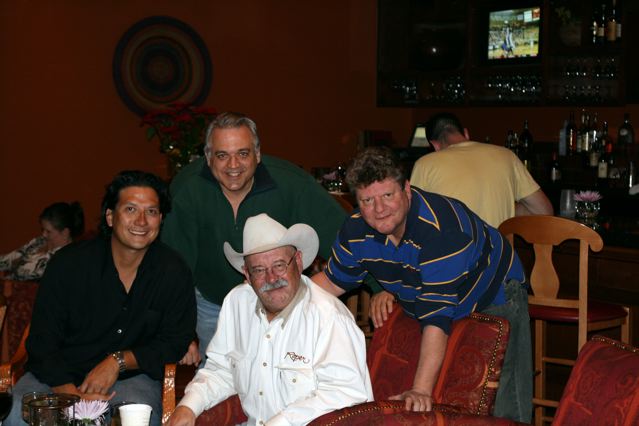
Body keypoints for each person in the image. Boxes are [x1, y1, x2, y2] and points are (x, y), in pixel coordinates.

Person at [312, 147, 532, 423]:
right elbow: (330, 282)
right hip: (433, 300)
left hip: (494, 290)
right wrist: (271, 303)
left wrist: (420, 390)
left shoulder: (441, 229)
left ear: (407, 189)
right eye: (367, 200)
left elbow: (436, 316)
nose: (379, 209)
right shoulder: (356, 230)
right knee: (453, 396)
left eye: (388, 195)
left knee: (504, 403)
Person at [5, 171, 197, 426]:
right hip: (58, 375)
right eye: (130, 209)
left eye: (151, 212)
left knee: (134, 417)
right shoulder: (68, 265)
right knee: (18, 414)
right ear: (110, 216)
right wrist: (70, 395)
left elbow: (174, 341)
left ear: (160, 219)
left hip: (130, 379)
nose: (141, 221)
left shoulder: (172, 271)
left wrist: (118, 361)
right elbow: (42, 341)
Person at [161, 112, 347, 364]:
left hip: (281, 303)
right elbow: (173, 268)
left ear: (258, 154)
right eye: (222, 155)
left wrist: (381, 288)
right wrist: (181, 332)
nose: (233, 165)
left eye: (243, 153)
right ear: (207, 157)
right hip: (212, 306)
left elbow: (346, 239)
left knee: (284, 377)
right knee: (218, 381)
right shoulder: (187, 189)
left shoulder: (291, 183)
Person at [168, 213, 372, 426]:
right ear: (246, 274)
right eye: (259, 270)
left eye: (279, 265)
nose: (271, 278)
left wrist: (282, 421)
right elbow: (222, 369)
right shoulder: (237, 303)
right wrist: (188, 406)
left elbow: (347, 394)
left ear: (299, 262)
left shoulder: (328, 317)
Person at [410, 112, 553, 229]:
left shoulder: (425, 164)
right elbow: (544, 211)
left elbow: (412, 221)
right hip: (501, 261)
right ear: (466, 133)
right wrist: (505, 208)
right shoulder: (506, 155)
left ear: (434, 145)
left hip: (454, 261)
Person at [0, 202, 84, 281]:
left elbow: (24, 273)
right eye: (42, 229)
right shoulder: (40, 241)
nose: (43, 234)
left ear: (65, 232)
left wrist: (16, 265)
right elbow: (11, 258)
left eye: (48, 231)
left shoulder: (67, 257)